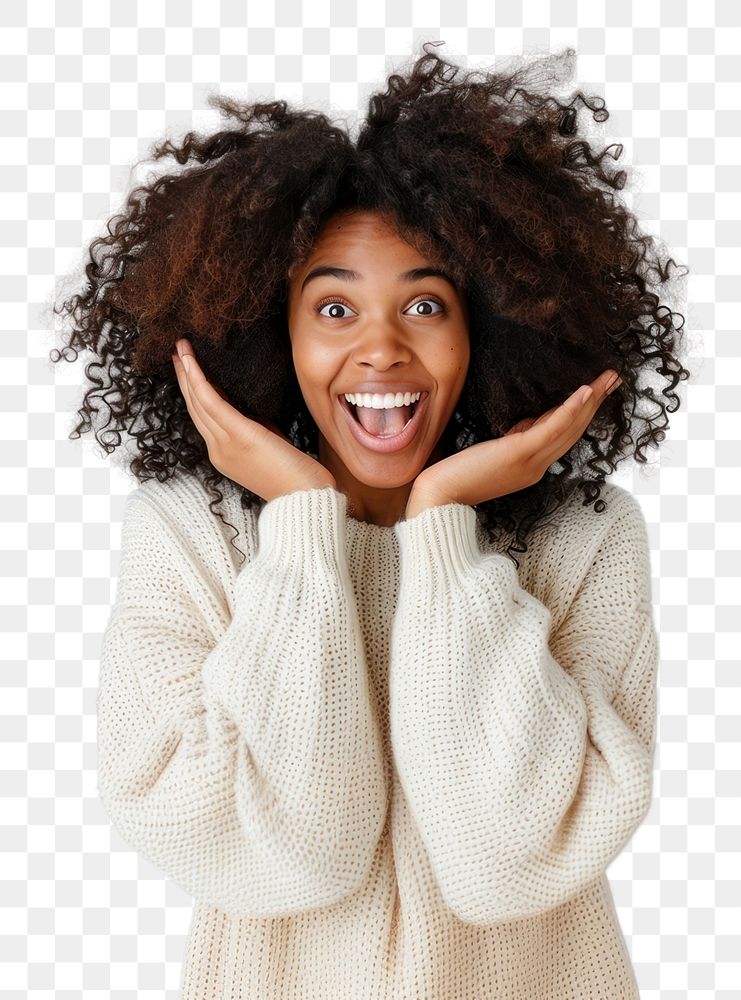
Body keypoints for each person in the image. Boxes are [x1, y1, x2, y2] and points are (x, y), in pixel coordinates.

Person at [52, 42, 690, 999]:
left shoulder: (583, 540)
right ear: (274, 331)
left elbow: (506, 858)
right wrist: (304, 523)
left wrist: (441, 527)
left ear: (488, 327)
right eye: (335, 308)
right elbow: (287, 856)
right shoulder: (190, 537)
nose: (381, 349)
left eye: (425, 304)